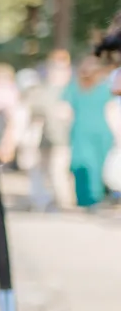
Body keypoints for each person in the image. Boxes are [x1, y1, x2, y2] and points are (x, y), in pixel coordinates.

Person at [6, 50, 76, 211]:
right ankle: (46, 201)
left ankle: (65, 203)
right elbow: (29, 112)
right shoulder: (42, 90)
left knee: (59, 171)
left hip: (64, 138)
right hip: (44, 138)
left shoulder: (71, 90)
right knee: (43, 171)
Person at [65, 55, 116, 208]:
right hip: (96, 131)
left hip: (84, 130)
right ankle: (93, 197)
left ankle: (88, 198)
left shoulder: (76, 87)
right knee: (91, 165)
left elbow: (65, 111)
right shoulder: (101, 88)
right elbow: (111, 110)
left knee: (85, 164)